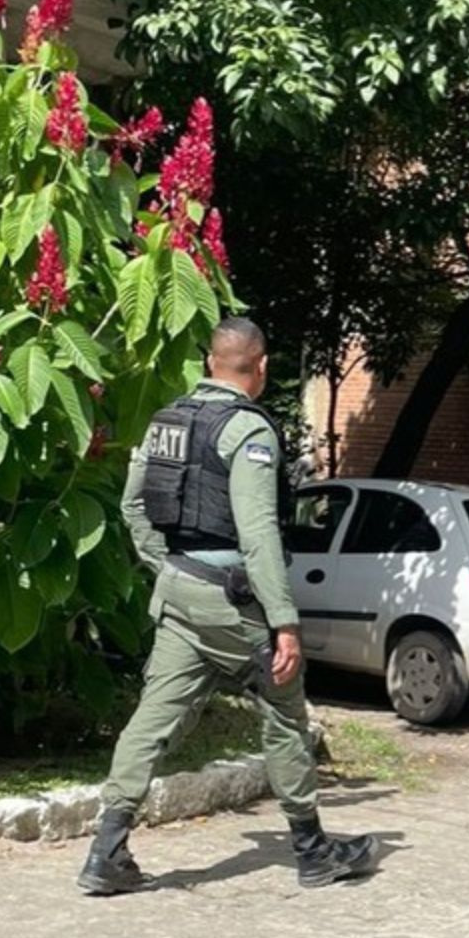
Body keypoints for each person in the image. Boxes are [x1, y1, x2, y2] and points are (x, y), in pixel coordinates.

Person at [78, 318, 378, 895]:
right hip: (233, 600)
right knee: (286, 713)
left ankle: (106, 853)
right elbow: (260, 532)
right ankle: (314, 852)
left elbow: (132, 506)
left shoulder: (166, 420)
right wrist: (284, 622)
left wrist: (163, 566)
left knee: (152, 719)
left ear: (209, 361)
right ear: (259, 366)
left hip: (178, 594)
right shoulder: (247, 431)